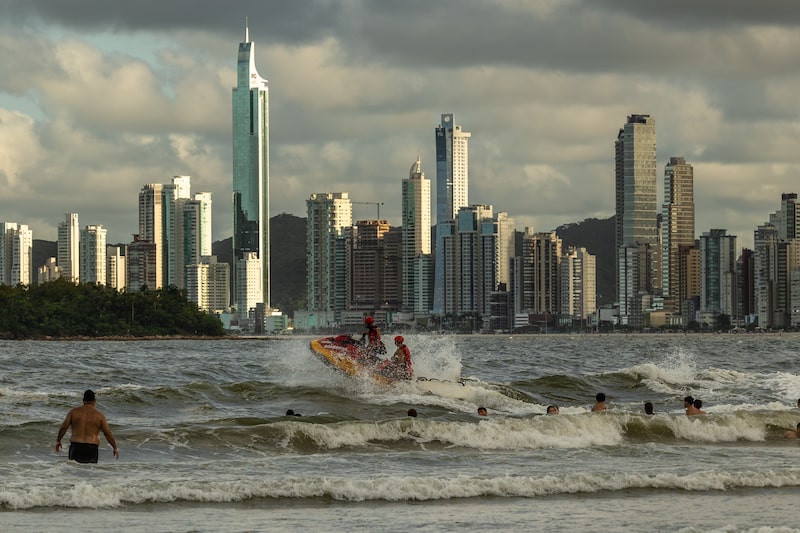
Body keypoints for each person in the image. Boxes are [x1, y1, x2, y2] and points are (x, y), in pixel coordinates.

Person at [55, 389, 119, 463]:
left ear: (83, 400)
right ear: (94, 401)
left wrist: (58, 440)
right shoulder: (100, 416)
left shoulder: (73, 412)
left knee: (74, 472)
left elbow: (64, 427)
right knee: (90, 473)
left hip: (76, 447)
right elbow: (107, 433)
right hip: (91, 448)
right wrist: (115, 447)